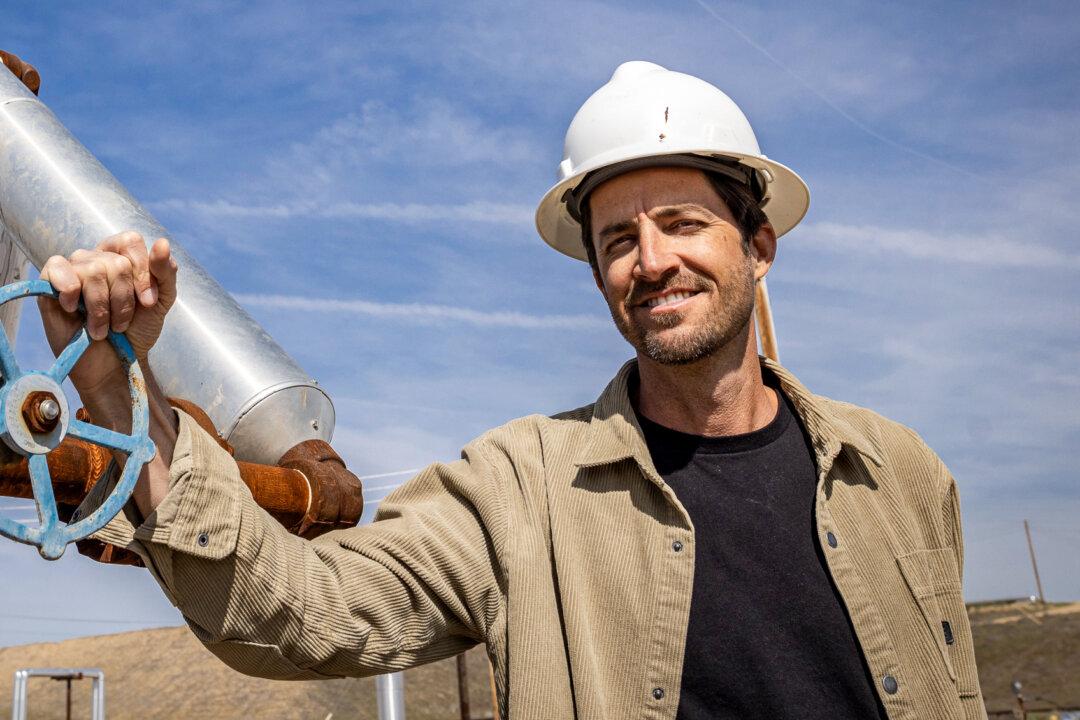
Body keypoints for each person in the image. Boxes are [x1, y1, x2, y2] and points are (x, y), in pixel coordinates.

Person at [34, 61, 985, 719]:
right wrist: (127, 400)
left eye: (684, 223)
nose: (651, 262)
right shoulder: (519, 489)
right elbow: (305, 614)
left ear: (760, 246)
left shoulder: (899, 474)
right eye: (619, 240)